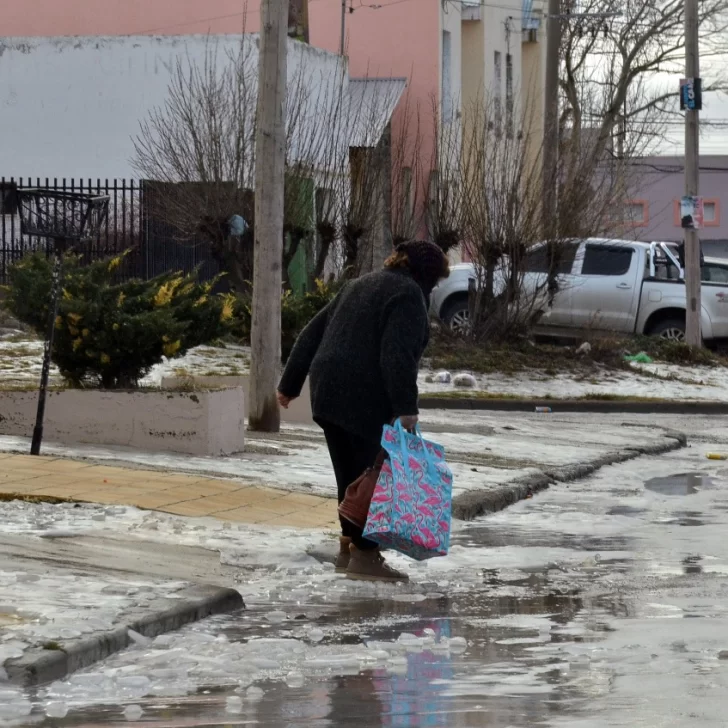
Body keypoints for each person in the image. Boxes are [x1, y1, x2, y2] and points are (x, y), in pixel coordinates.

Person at [277, 240, 450, 582]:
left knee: (352, 475)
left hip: (327, 390)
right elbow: (396, 354)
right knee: (373, 476)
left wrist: (290, 384)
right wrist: (405, 407)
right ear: (426, 274)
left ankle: (349, 546)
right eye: (437, 279)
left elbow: (312, 332)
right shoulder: (408, 295)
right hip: (363, 393)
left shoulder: (358, 284)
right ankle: (365, 557)